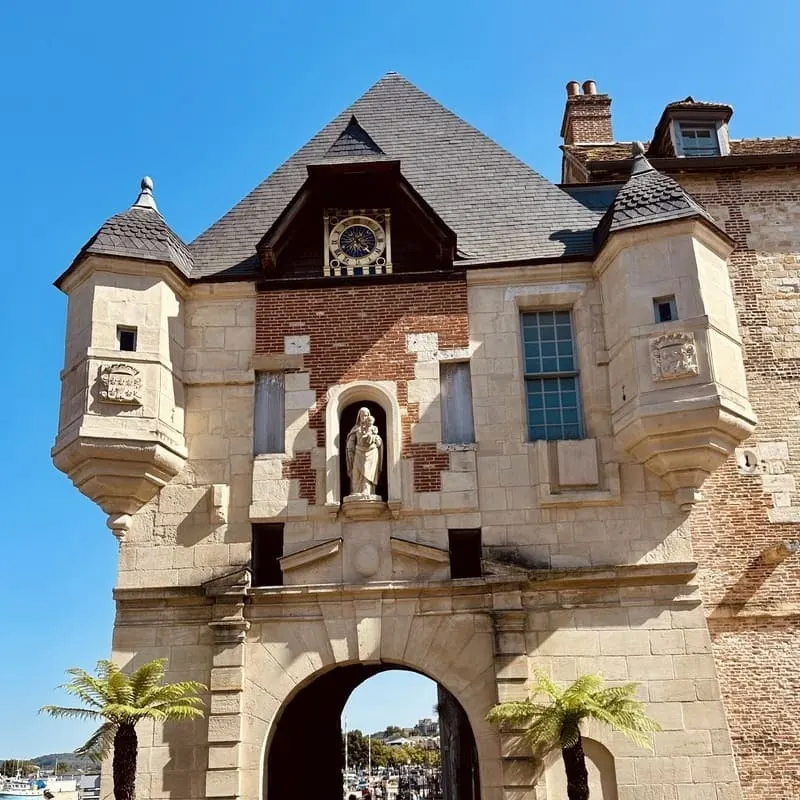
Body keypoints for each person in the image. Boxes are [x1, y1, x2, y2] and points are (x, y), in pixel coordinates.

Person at [345, 407, 384, 497]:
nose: (364, 417)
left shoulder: (373, 428)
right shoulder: (355, 428)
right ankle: (356, 491)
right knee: (356, 473)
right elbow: (351, 440)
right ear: (359, 416)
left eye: (366, 415)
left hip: (371, 453)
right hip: (358, 452)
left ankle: (368, 491)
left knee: (368, 471)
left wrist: (377, 439)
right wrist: (350, 449)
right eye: (362, 415)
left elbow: (379, 442)